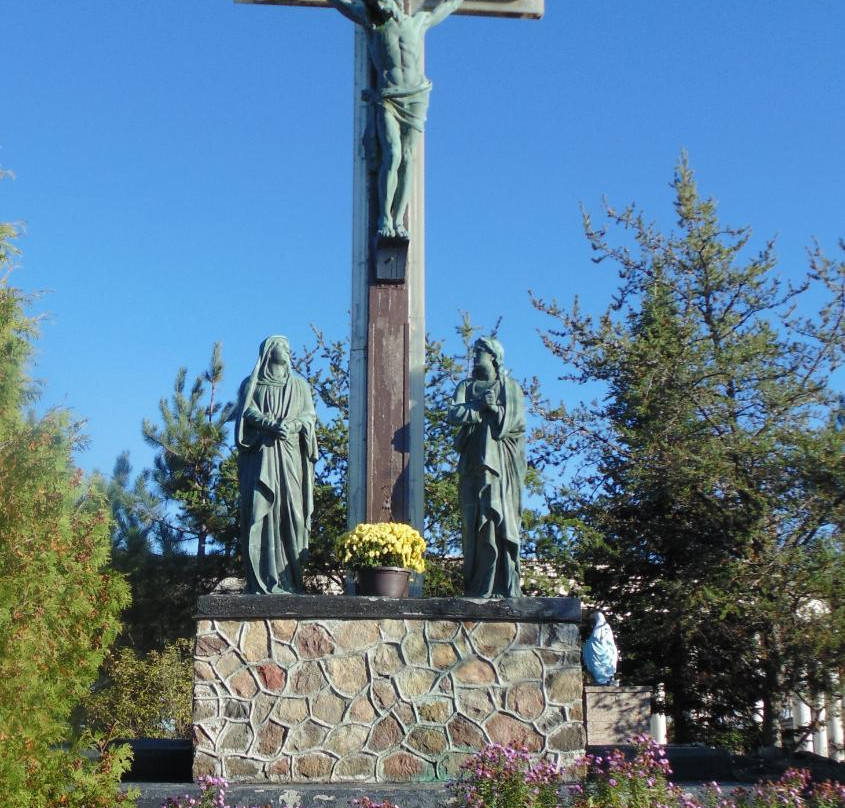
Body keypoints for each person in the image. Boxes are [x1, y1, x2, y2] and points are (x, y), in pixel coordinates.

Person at [326, 0, 465, 239]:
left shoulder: (418, 22)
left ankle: (399, 220)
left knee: (408, 158)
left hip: (416, 97)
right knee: (393, 154)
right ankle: (384, 217)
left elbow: (449, 5)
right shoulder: (372, 24)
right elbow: (343, 5)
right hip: (388, 97)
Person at [234, 336, 318, 594]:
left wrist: (292, 425)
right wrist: (269, 424)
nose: (288, 350)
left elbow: (309, 415)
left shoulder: (299, 385)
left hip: (291, 458)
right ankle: (262, 581)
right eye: (283, 346)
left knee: (292, 513)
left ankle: (290, 581)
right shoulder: (252, 384)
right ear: (270, 351)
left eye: (289, 348)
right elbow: (246, 410)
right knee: (263, 511)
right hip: (262, 458)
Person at [447, 337, 526, 597]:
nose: (474, 356)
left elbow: (516, 424)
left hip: (501, 468)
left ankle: (504, 584)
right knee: (474, 527)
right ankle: (478, 584)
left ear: (493, 356)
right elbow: (452, 414)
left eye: (479, 351)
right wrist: (479, 407)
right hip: (473, 466)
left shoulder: (510, 387)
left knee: (500, 522)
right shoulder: (467, 387)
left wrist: (495, 410)